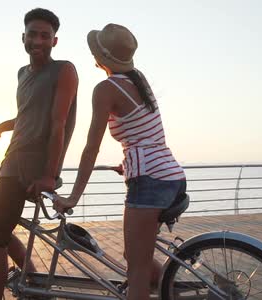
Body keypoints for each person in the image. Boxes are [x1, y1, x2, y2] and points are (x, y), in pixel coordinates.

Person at [53, 23, 186, 300]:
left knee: (136, 270)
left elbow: (91, 148)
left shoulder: (106, 89)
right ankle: (171, 291)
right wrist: (128, 164)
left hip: (149, 181)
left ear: (100, 58)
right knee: (135, 254)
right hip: (170, 175)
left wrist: (73, 197)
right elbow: (145, 133)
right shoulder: (139, 80)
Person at [0, 8, 78, 300]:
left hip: (32, 166)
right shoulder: (22, 73)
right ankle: (33, 281)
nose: (37, 40)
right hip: (11, 160)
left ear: (54, 41)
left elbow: (58, 123)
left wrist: (50, 174)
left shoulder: (64, 69)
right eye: (32, 34)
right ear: (23, 37)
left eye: (45, 36)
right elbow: (26, 115)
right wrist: (0, 127)